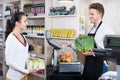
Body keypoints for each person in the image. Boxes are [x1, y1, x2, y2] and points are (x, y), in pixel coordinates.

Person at [61, 3, 115, 80]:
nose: (89, 16)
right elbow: (84, 48)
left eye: (92, 14)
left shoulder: (107, 30)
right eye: (89, 14)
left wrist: (93, 53)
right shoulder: (91, 29)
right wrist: (70, 45)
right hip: (89, 65)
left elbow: (111, 52)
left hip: (100, 67)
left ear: (99, 15)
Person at [5, 12, 38, 80]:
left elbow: (21, 53)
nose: (27, 23)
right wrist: (27, 71)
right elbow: (9, 61)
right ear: (17, 23)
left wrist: (29, 57)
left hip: (23, 76)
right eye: (25, 21)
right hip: (13, 78)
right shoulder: (11, 39)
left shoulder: (23, 36)